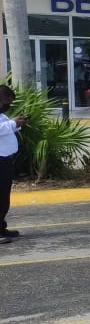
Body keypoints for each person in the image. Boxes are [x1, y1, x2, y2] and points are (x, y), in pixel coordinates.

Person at [0, 85, 26, 244]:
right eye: (7, 101)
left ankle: (1, 228)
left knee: (3, 198)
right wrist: (12, 124)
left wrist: (17, 124)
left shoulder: (1, 115)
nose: (8, 104)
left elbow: (4, 129)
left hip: (4, 160)